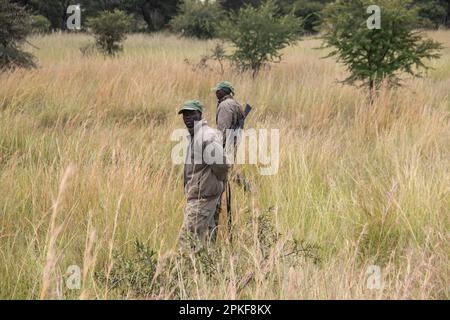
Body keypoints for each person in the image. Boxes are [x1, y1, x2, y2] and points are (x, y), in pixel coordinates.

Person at [178, 100, 230, 251]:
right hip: (202, 196)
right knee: (205, 242)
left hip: (203, 198)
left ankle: (187, 274)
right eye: (185, 114)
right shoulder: (196, 135)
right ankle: (207, 273)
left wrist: (214, 183)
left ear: (200, 114)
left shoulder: (206, 136)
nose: (187, 117)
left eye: (191, 113)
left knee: (186, 241)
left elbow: (222, 165)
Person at [211, 81, 245, 241]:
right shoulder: (235, 104)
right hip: (232, 148)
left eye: (217, 91)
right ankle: (246, 187)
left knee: (219, 186)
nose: (215, 93)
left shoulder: (225, 106)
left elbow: (222, 130)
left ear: (223, 92)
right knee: (230, 176)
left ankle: (214, 229)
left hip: (224, 150)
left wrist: (215, 150)